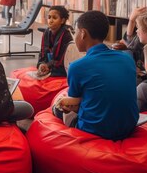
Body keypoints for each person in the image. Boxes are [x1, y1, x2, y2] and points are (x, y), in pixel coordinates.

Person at [53, 10, 138, 141]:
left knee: (58, 106)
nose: (74, 36)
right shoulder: (127, 58)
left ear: (82, 34)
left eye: (75, 32)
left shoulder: (77, 67)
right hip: (129, 127)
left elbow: (73, 102)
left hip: (95, 130)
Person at [37, 6, 73, 77]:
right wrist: (41, 65)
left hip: (61, 70)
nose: (51, 20)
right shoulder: (46, 33)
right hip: (49, 67)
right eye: (49, 17)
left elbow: (63, 61)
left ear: (62, 20)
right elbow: (42, 54)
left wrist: (48, 67)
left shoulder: (66, 35)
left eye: (54, 18)